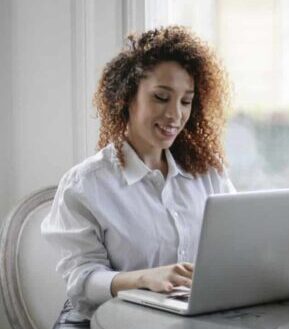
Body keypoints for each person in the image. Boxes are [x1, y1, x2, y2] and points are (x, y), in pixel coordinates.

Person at [41, 26, 235, 328]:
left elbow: (236, 244)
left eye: (186, 102)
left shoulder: (208, 173)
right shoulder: (85, 184)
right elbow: (81, 282)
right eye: (161, 97)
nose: (175, 115)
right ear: (127, 97)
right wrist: (144, 279)